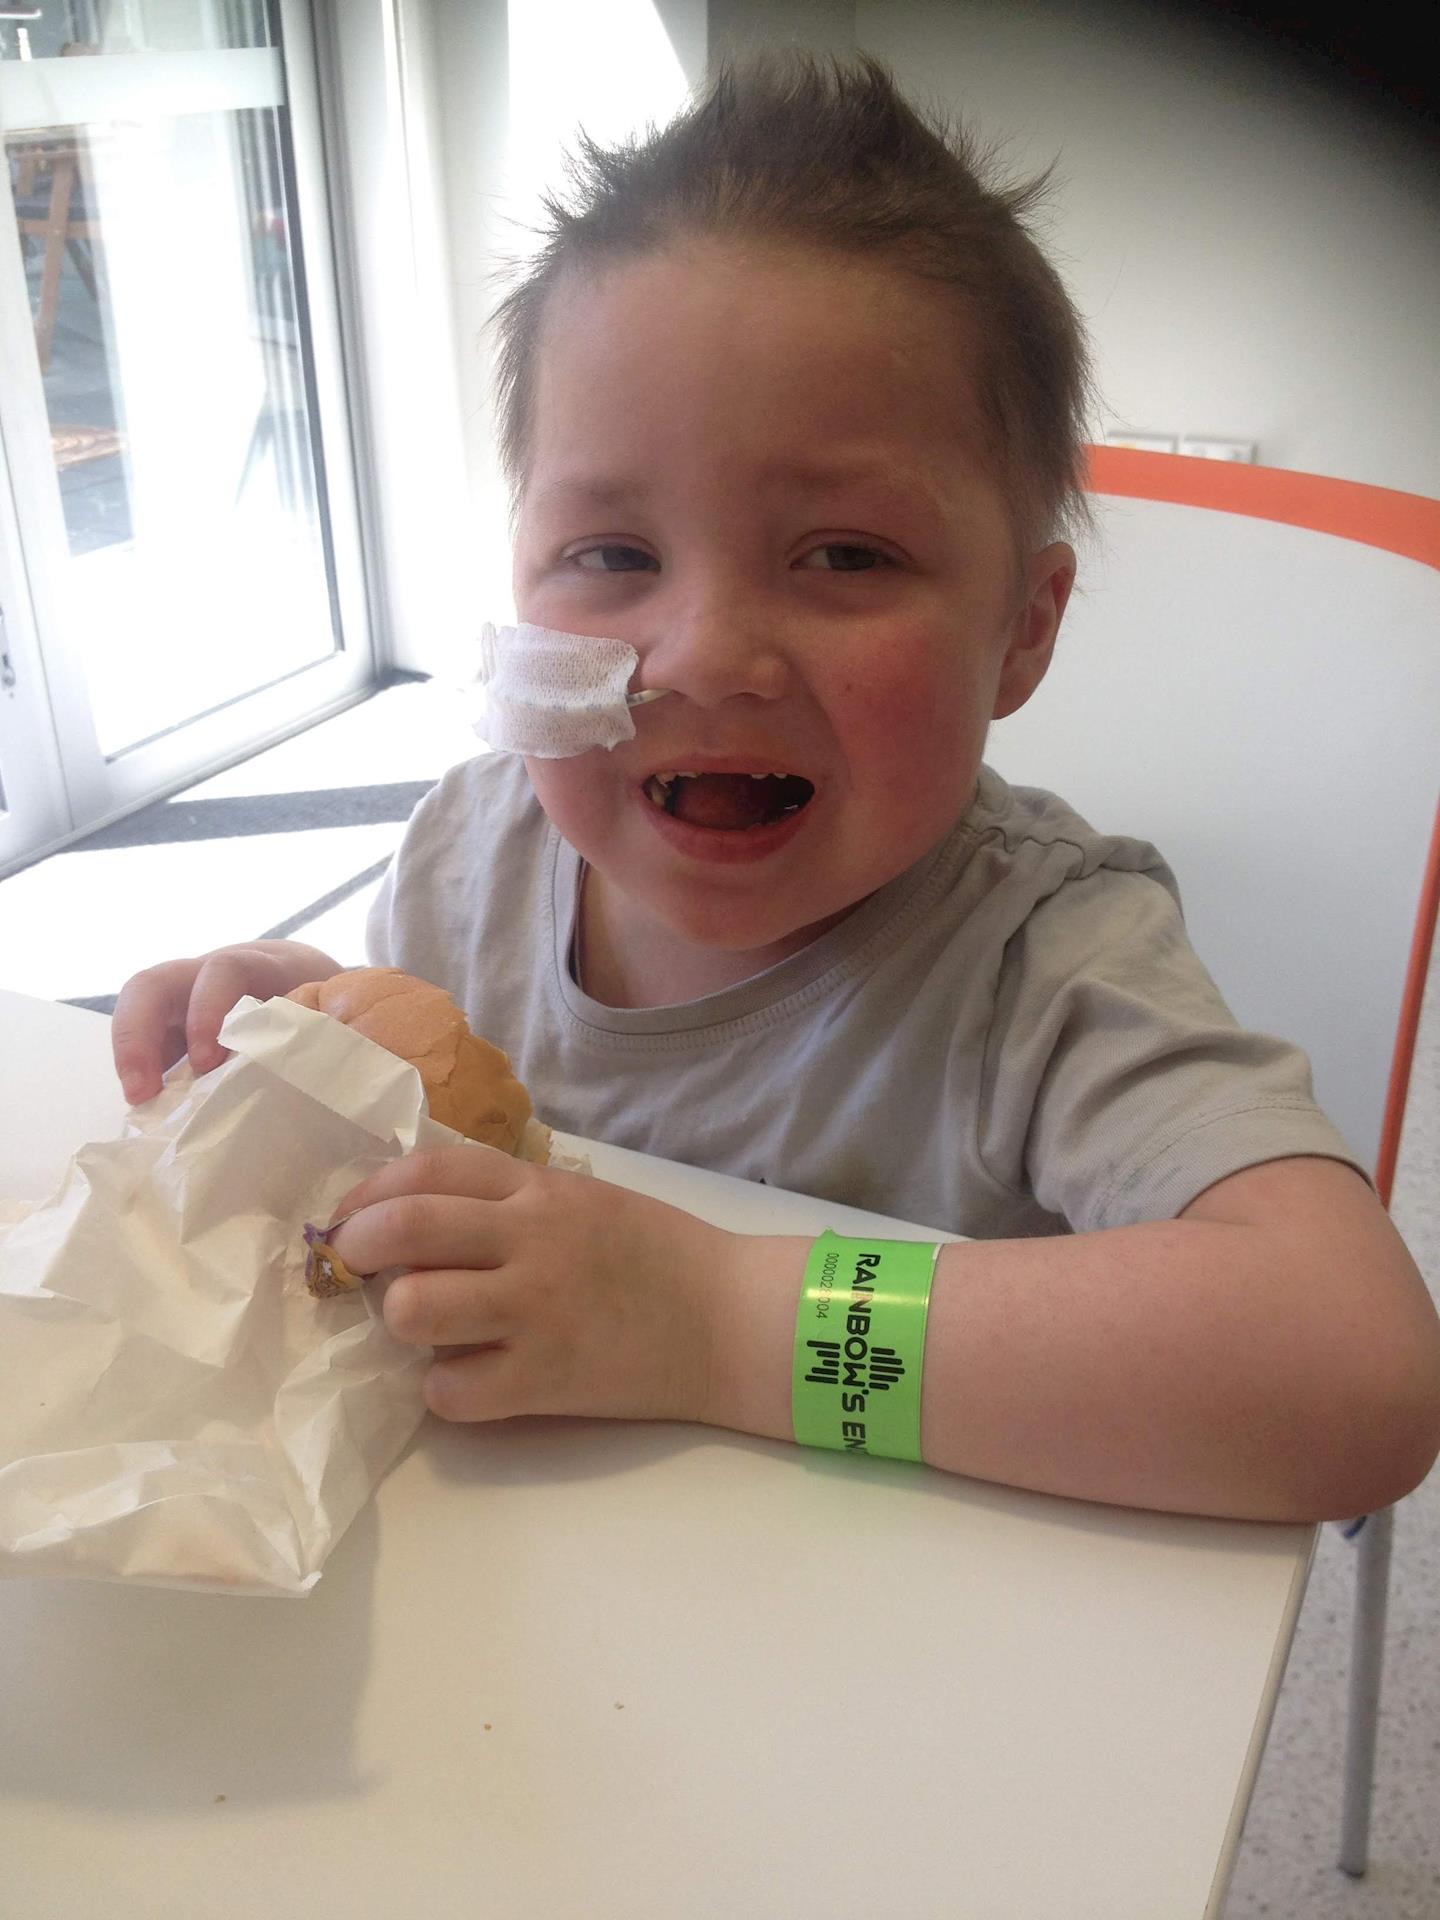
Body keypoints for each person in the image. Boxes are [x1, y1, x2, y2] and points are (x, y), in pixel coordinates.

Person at [110, 54, 1440, 1522]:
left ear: (1023, 630)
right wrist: (316, 1042)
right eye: (613, 555)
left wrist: (713, 1318)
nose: (704, 657)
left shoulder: (1044, 966)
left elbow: (1355, 1373)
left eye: (846, 555)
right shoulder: (469, 856)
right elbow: (426, 1161)